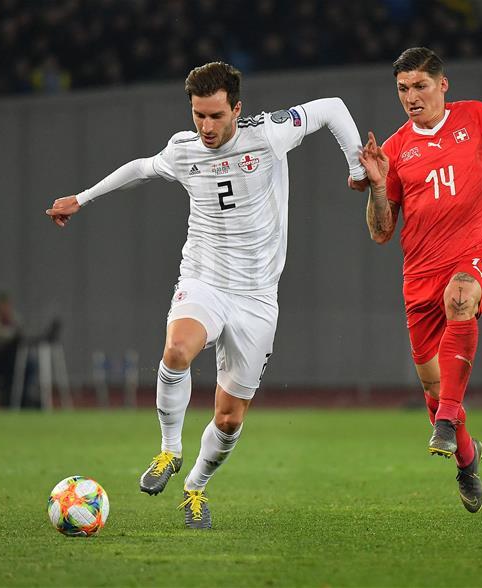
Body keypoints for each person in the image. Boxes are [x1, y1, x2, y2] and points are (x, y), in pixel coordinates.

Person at [45, 62, 367, 529]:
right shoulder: (184, 149)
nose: (207, 127)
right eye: (198, 115)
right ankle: (169, 451)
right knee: (177, 349)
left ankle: (195, 488)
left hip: (257, 297)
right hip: (204, 278)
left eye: (216, 116)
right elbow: (141, 168)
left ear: (238, 109)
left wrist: (357, 165)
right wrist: (82, 197)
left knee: (230, 418)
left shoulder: (269, 134)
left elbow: (333, 108)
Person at [354, 47, 482, 513]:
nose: (411, 97)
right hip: (419, 279)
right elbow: (382, 232)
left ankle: (447, 419)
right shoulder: (395, 149)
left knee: (461, 296)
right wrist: (378, 186)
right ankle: (467, 459)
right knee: (432, 386)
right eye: (403, 88)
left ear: (442, 85)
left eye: (420, 86)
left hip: (476, 257)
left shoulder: (477, 116)